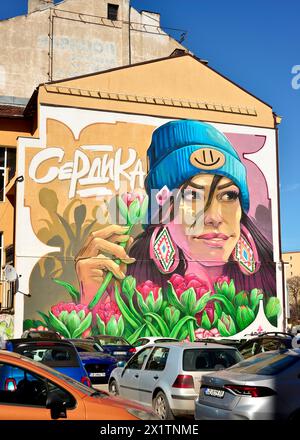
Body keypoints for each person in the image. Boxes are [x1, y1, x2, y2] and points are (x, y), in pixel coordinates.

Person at [75, 119, 275, 305]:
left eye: (229, 196)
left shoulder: (269, 281)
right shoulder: (131, 285)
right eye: (191, 196)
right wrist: (93, 297)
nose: (214, 216)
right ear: (163, 210)